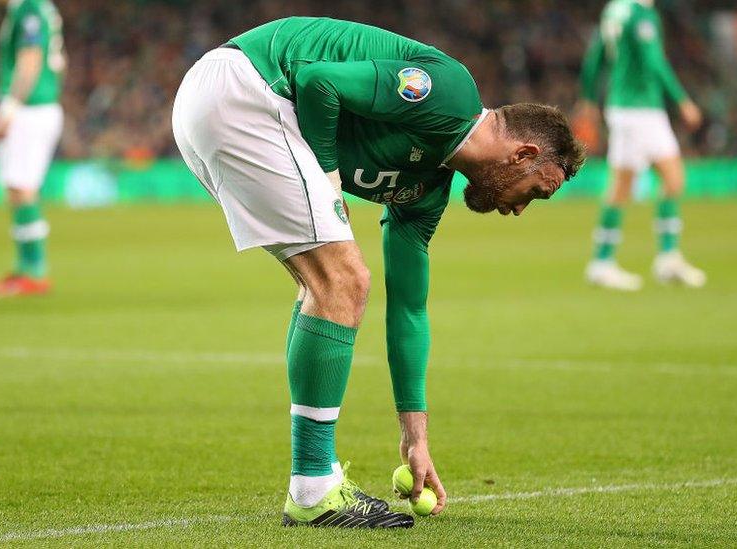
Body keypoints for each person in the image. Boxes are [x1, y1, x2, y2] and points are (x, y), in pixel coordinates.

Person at [173, 17, 585, 528]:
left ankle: (311, 482)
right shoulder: (450, 93)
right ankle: (313, 489)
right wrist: (327, 175)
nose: (521, 210)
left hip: (218, 103)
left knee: (326, 287)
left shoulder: (427, 191)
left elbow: (409, 309)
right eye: (535, 191)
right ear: (524, 154)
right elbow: (318, 81)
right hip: (251, 87)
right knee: (343, 281)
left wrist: (416, 438)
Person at [579, 0, 706, 291]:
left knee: (672, 180)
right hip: (638, 109)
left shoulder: (615, 9)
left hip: (632, 108)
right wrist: (682, 99)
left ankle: (667, 257)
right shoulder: (641, 15)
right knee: (625, 185)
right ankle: (602, 262)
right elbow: (653, 60)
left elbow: (595, 55)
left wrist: (588, 96)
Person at [0, 0, 65, 297]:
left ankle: (34, 271)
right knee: (16, 188)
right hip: (38, 107)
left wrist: (10, 107)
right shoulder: (38, 8)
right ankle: (24, 268)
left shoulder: (29, 9)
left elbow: (31, 58)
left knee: (22, 187)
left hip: (31, 109)